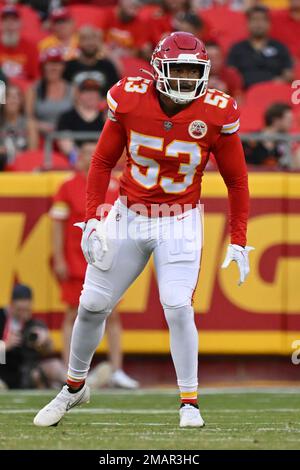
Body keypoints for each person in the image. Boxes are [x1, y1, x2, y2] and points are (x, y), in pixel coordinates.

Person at [34, 31, 253, 429]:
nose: (187, 80)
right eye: (179, 70)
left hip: (180, 219)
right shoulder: (130, 98)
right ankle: (73, 387)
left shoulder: (217, 110)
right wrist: (94, 216)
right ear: (157, 70)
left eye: (194, 71)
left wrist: (239, 238)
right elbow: (101, 161)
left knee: (177, 304)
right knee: (91, 305)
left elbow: (237, 181)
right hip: (129, 214)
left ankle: (189, 402)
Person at [50, 140, 139, 388]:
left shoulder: (114, 185)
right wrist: (58, 257)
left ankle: (117, 369)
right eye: (87, 153)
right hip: (77, 258)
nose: (91, 158)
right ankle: (71, 369)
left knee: (113, 315)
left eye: (95, 153)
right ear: (78, 157)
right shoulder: (67, 186)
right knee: (72, 313)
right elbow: (57, 225)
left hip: (107, 259)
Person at [0, 284, 66, 389]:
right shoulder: (2, 318)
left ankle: (76, 385)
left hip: (26, 374)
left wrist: (45, 341)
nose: (23, 314)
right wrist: (5, 345)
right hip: (3, 373)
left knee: (54, 366)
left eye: (26, 310)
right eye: (19, 310)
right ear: (11, 305)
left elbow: (49, 349)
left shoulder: (34, 324)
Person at [227, 6, 293, 89]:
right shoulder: (237, 48)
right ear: (247, 23)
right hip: (245, 93)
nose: (258, 24)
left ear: (269, 24)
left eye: (262, 20)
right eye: (254, 20)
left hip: (273, 91)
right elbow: (230, 74)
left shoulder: (280, 48)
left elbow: (288, 73)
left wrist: (281, 81)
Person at [56, 73, 105, 161]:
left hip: (102, 161)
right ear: (78, 94)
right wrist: (82, 155)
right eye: (86, 91)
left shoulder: (107, 117)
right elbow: (66, 144)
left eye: (95, 91)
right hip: (76, 162)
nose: (91, 95)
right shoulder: (66, 117)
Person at [26, 47, 73, 136]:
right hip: (41, 136)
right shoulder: (33, 89)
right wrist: (39, 125)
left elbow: (78, 115)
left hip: (67, 136)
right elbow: (28, 118)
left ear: (63, 67)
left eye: (57, 63)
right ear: (43, 66)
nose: (53, 67)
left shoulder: (72, 89)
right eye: (50, 63)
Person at [63, 26, 120, 96]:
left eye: (93, 39)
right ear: (79, 42)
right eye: (86, 39)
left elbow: (118, 87)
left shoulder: (107, 66)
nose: (90, 43)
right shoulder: (69, 66)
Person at [243, 102, 294, 168]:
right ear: (276, 120)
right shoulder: (250, 140)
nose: (292, 124)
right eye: (289, 120)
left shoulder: (285, 142)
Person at [0, 84, 38, 168]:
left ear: (21, 101)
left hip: (23, 167)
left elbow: (33, 152)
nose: (13, 100)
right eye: (8, 96)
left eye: (16, 96)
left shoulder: (29, 124)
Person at [0, 5, 39, 82]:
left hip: (23, 91)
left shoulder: (31, 48)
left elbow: (36, 78)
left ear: (20, 24)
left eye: (14, 20)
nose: (10, 24)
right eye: (5, 20)